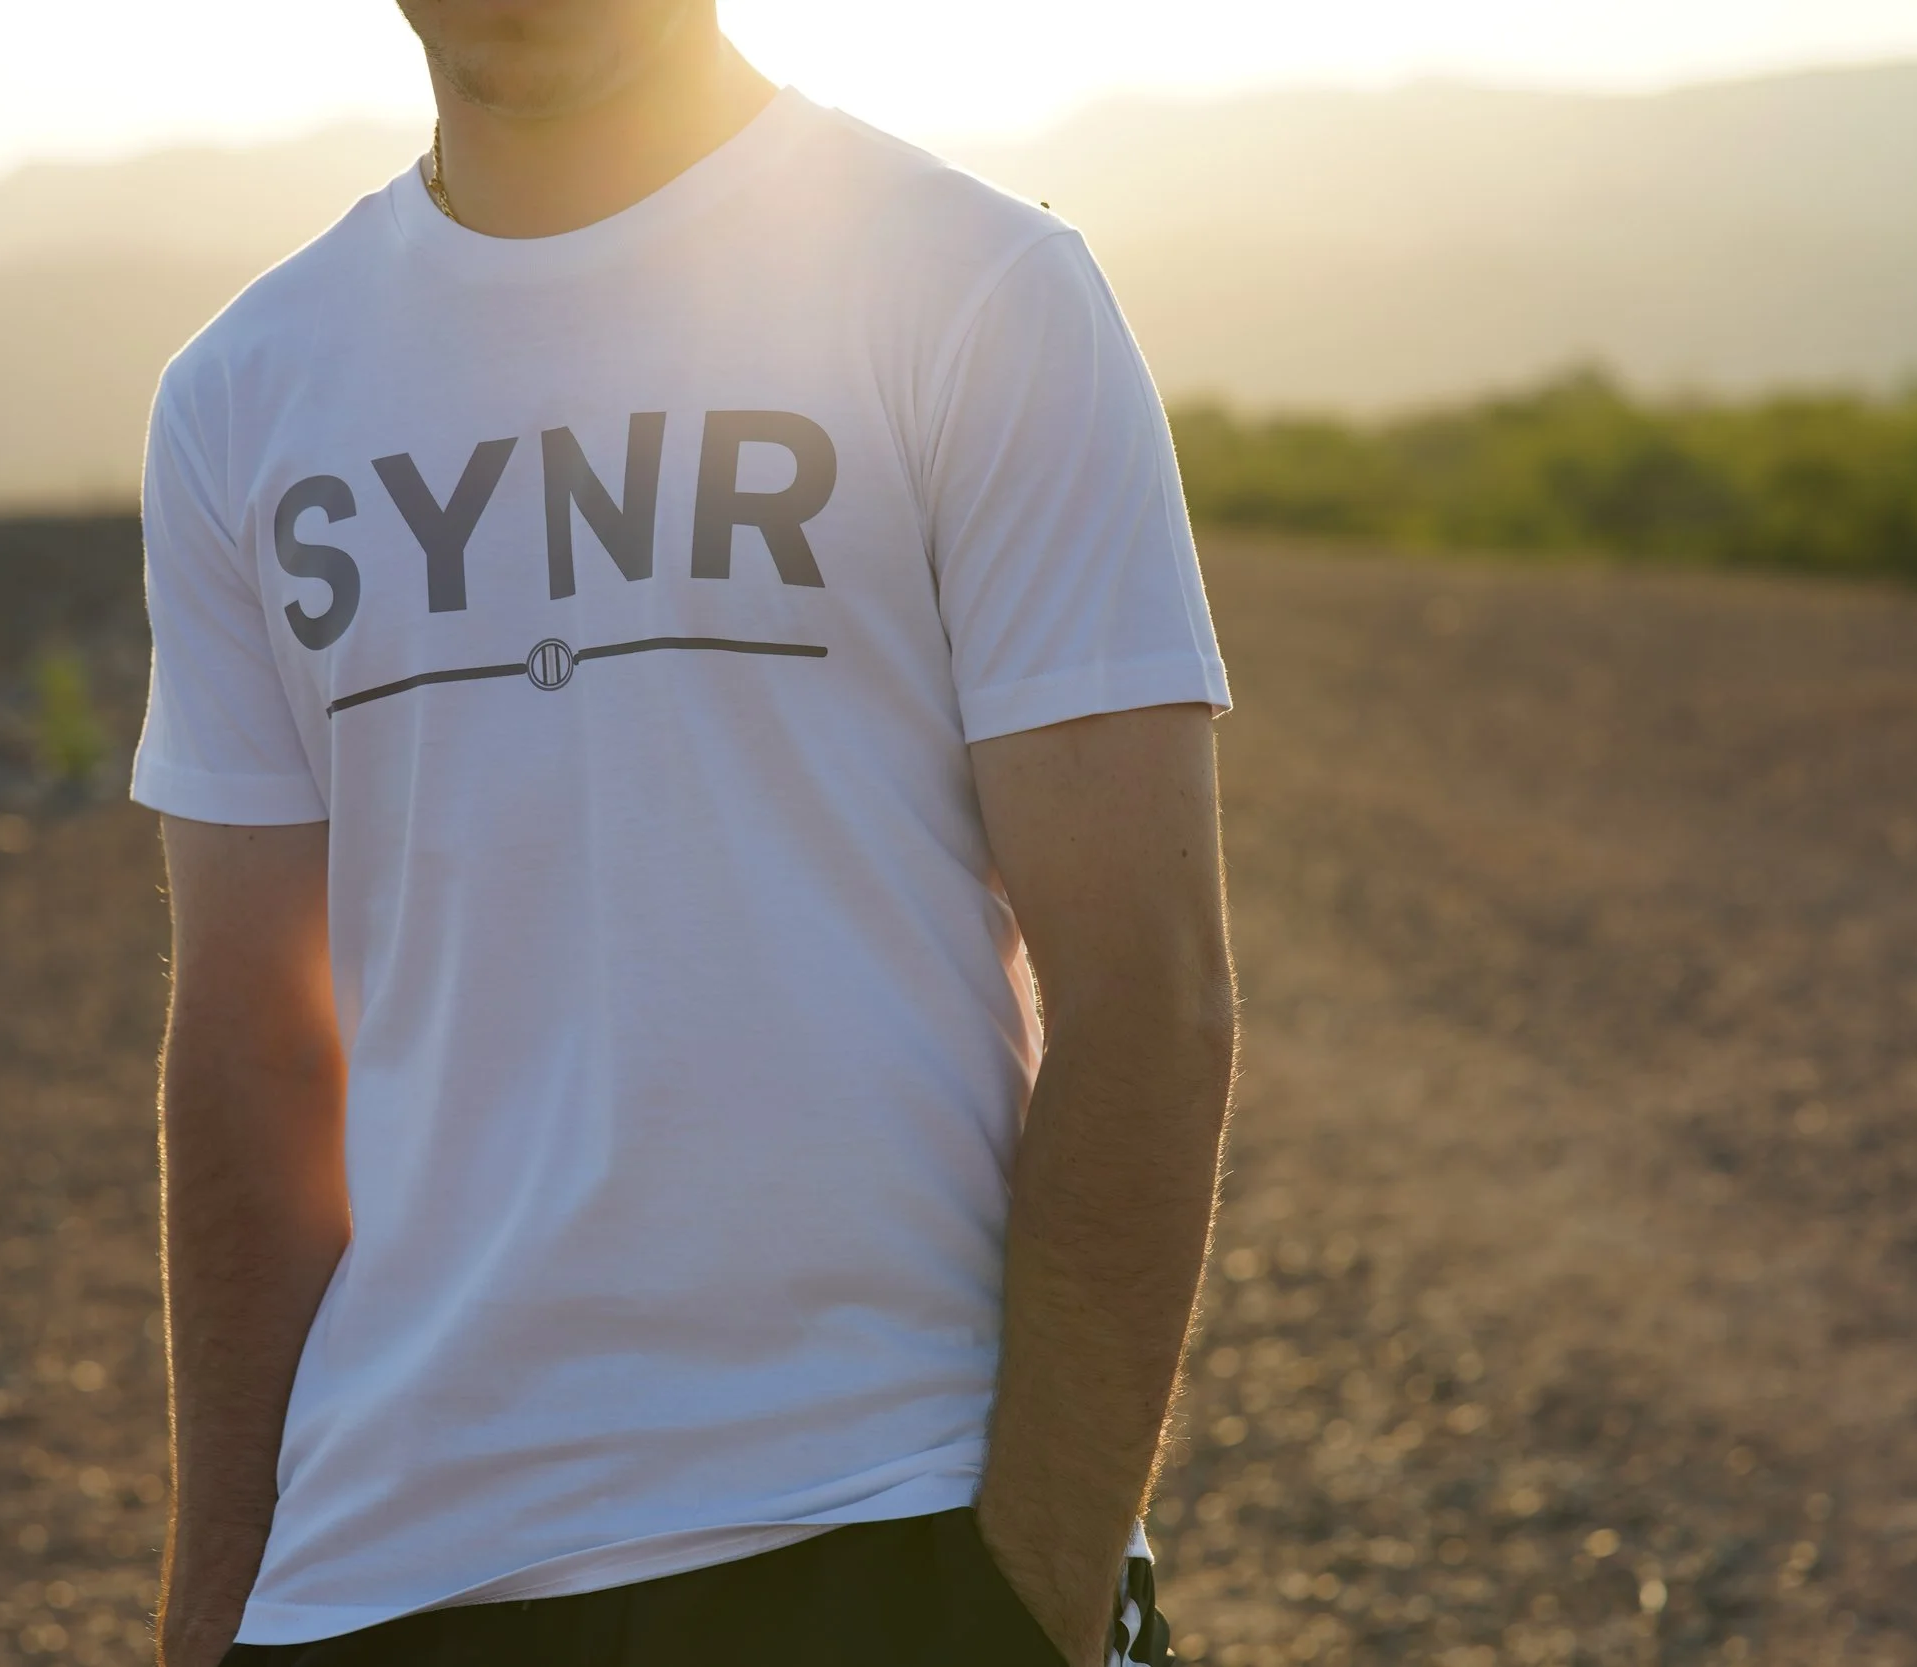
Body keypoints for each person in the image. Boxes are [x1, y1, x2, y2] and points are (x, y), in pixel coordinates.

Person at [131, 1, 1237, 1662]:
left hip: (883, 1515)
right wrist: (215, 1603)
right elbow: (248, 1049)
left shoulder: (974, 287)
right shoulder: (241, 392)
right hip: (385, 1573)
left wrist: (1035, 1596)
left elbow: (1149, 990)